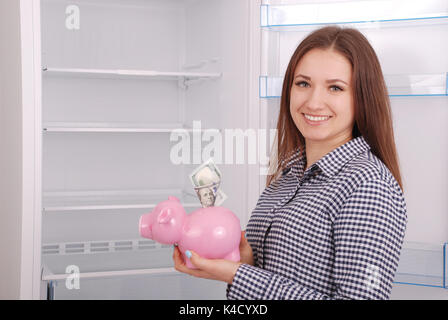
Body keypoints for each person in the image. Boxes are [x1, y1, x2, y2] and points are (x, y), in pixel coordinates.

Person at [173, 25, 407, 300]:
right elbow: (282, 276)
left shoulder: (368, 186)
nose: (314, 102)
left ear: (362, 98)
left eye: (335, 87)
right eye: (303, 83)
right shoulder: (290, 172)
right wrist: (245, 264)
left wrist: (238, 276)